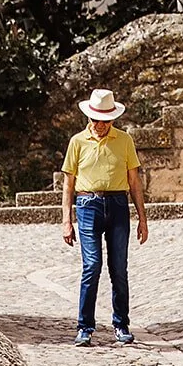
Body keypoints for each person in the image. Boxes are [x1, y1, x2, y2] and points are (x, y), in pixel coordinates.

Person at [61, 88, 149, 347]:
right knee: (92, 266)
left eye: (105, 120)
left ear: (113, 119)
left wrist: (142, 218)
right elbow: (68, 183)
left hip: (118, 205)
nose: (100, 125)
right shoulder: (77, 142)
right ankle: (85, 326)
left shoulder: (124, 141)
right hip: (88, 206)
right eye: (95, 119)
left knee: (119, 269)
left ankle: (121, 324)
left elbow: (134, 181)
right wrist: (67, 220)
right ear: (88, 118)